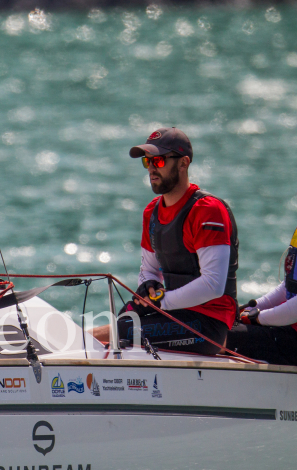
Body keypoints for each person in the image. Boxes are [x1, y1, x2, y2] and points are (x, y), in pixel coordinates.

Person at [93, 127, 239, 355]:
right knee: (125, 315)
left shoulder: (207, 211)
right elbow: (148, 270)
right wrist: (149, 285)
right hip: (176, 310)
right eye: (147, 162)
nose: (151, 168)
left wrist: (162, 302)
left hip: (209, 321)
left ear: (183, 163)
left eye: (159, 161)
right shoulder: (151, 212)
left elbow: (214, 284)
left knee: (123, 329)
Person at [225, 227, 297, 365]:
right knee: (222, 327)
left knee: (219, 336)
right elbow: (288, 287)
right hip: (288, 328)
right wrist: (249, 310)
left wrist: (258, 318)